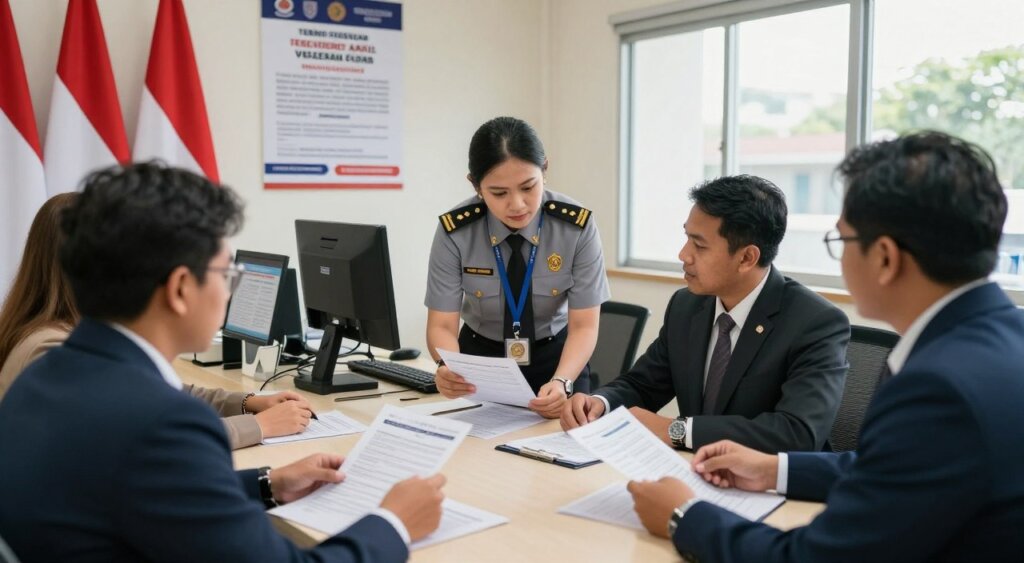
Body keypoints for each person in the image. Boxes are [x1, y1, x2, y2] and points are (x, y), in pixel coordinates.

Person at [0, 162, 446, 561]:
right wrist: (395, 522)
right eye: (225, 274)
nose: (229, 291)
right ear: (179, 289)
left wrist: (267, 485)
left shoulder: (48, 375)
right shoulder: (163, 423)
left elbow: (132, 487)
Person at [628, 132, 1024, 562]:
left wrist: (683, 516)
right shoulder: (1002, 338)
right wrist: (774, 469)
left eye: (842, 242)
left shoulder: (938, 386)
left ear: (886, 258)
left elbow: (816, 556)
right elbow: (895, 470)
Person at [561, 175, 850, 453]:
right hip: (697, 473)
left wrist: (676, 430)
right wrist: (600, 402)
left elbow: (797, 433)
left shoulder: (816, 323)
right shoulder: (687, 306)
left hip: (773, 490)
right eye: (687, 237)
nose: (683, 254)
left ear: (747, 258)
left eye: (699, 245)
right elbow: (643, 384)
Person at [0, 193, 313, 449]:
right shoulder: (52, 352)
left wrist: (248, 402)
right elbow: (142, 435)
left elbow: (160, 393)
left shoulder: (77, 333)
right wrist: (258, 426)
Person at [425, 116, 611, 418]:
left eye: (528, 187)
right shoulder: (455, 231)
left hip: (557, 360)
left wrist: (562, 381)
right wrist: (449, 367)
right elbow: (441, 325)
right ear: (476, 186)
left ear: (545, 171)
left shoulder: (576, 228)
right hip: (479, 363)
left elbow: (584, 325)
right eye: (499, 193)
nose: (518, 205)